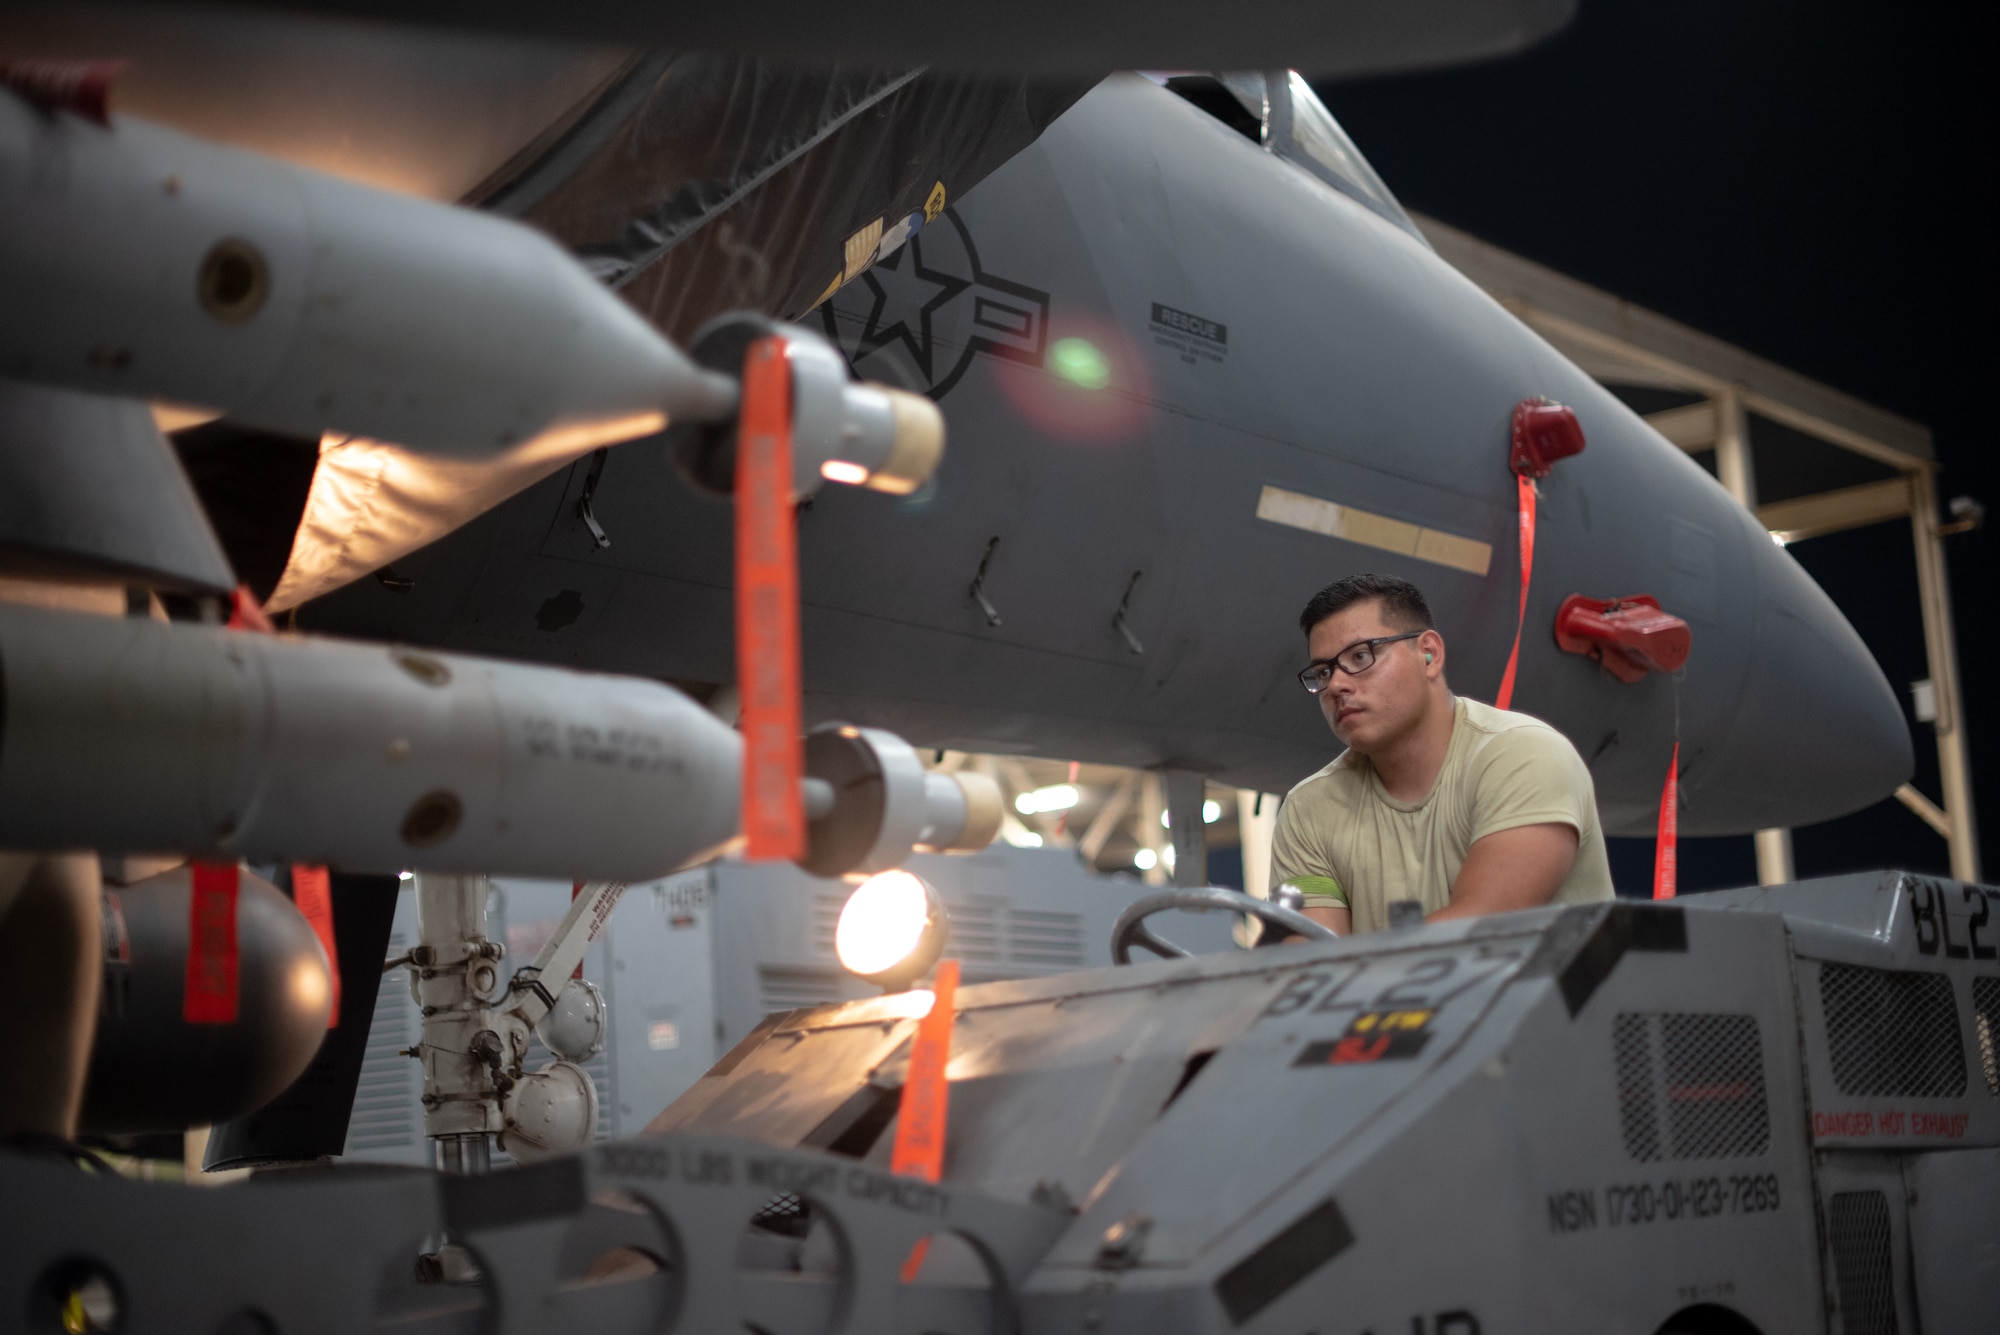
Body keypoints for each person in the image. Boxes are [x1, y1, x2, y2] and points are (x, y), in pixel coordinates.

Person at [1270, 573, 1613, 936]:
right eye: (1323, 672)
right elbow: (1308, 967)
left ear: (1429, 654)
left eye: (1360, 655)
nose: (1336, 685)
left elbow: (1474, 935)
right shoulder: (1307, 810)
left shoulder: (1527, 756)